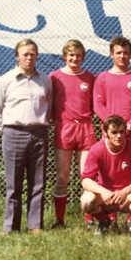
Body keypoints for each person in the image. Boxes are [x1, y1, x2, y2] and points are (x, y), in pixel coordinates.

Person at [0, 39, 51, 235]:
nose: (29, 57)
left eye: (32, 54)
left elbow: (49, 107)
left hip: (38, 134)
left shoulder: (45, 80)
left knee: (38, 183)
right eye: (25, 54)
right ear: (17, 56)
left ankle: (35, 225)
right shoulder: (6, 80)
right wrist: (6, 130)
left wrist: (41, 126)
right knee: (14, 184)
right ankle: (11, 226)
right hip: (13, 134)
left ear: (37, 56)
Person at [49, 40, 97, 229]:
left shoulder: (89, 77)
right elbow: (50, 104)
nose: (74, 58)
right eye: (71, 55)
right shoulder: (55, 76)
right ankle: (60, 220)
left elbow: (94, 104)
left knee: (87, 176)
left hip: (85, 128)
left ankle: (89, 219)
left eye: (78, 55)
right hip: (65, 128)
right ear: (65, 56)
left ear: (83, 56)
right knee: (62, 176)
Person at [80, 115, 131, 236]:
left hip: (126, 196)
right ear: (105, 133)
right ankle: (104, 221)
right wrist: (103, 191)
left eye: (122, 132)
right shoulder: (96, 149)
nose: (119, 136)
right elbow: (86, 180)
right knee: (86, 200)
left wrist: (125, 191)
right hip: (106, 197)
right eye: (114, 132)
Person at [93, 36, 131, 145]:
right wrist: (114, 125)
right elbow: (98, 105)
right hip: (111, 133)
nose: (122, 56)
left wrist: (130, 124)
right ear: (112, 54)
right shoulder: (102, 77)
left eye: (125, 53)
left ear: (130, 55)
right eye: (118, 53)